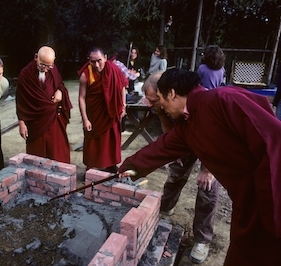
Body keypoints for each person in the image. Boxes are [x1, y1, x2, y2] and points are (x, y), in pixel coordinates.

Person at [118, 69, 281, 265]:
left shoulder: (224, 99)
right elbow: (161, 148)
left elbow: (272, 141)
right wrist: (130, 167)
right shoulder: (186, 126)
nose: (159, 105)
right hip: (244, 201)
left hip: (270, 197)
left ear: (172, 93)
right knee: (243, 253)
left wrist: (272, 207)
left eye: (159, 98)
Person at [143, 72, 219, 264]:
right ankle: (165, 211)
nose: (152, 104)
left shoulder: (203, 104)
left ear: (169, 93)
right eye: (151, 101)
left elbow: (215, 141)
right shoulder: (161, 104)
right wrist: (172, 152)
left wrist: (208, 170)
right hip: (185, 137)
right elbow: (168, 130)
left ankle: (202, 239)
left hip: (210, 142)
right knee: (175, 174)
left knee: (207, 187)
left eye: (155, 100)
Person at [16, 46, 72, 163]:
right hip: (35, 121)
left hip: (53, 118)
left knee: (57, 152)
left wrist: (60, 92)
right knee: (37, 154)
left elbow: (60, 84)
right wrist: (22, 122)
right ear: (36, 57)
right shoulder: (25, 74)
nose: (46, 69)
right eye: (43, 65)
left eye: (49, 66)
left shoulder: (53, 69)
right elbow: (21, 100)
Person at [78, 47, 128, 173]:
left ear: (105, 57)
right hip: (94, 114)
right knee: (93, 141)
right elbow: (81, 98)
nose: (96, 65)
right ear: (89, 61)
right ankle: (90, 167)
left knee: (111, 139)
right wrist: (85, 119)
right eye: (92, 61)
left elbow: (122, 87)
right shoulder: (85, 75)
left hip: (112, 111)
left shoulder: (114, 69)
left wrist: (123, 106)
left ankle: (111, 165)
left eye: (99, 60)